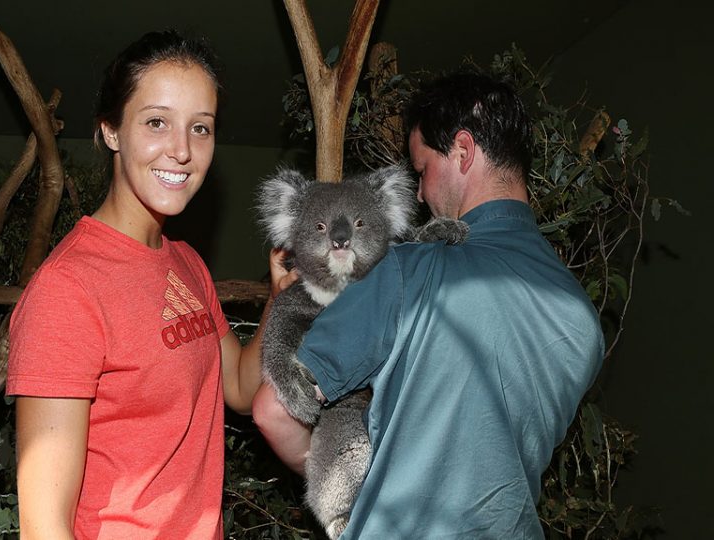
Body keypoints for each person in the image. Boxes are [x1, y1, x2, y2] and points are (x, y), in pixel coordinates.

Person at [251, 69, 605, 538]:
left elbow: (273, 411)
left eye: (422, 170)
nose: (419, 192)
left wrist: (349, 489)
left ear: (462, 151)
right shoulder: (582, 316)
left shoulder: (407, 271)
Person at [6, 30, 294, 539]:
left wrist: (280, 300)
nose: (182, 151)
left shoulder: (185, 262)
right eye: (156, 122)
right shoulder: (67, 290)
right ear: (111, 131)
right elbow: (43, 529)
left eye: (200, 128)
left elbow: (242, 389)